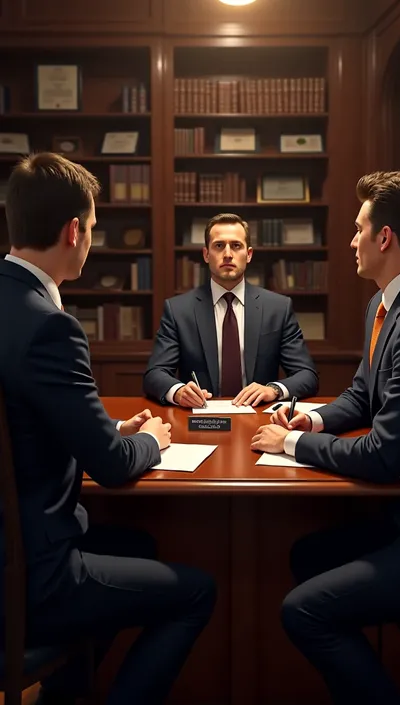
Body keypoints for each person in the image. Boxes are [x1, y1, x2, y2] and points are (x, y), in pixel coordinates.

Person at [250, 170, 400, 705]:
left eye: (358, 228)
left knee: (301, 610)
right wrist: (310, 421)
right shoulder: (383, 305)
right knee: (307, 554)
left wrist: (289, 446)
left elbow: (382, 455)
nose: (351, 239)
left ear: (385, 237)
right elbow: (360, 396)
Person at [0, 153, 216, 705]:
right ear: (74, 231)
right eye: (92, 229)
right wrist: (149, 440)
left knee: (136, 543)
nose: (91, 240)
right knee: (196, 593)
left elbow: (26, 418)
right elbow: (114, 466)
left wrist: (108, 425)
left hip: (13, 546)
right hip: (32, 576)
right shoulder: (51, 326)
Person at [144, 212, 318, 408]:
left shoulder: (278, 308)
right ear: (206, 254)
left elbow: (307, 375)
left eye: (236, 246)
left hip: (259, 419)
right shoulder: (178, 310)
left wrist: (273, 390)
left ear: (249, 255)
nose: (228, 254)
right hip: (201, 419)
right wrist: (178, 392)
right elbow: (154, 374)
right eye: (219, 246)